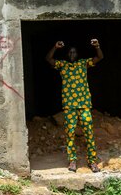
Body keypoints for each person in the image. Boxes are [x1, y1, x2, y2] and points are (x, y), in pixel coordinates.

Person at [45, 39, 104, 173]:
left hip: (84, 105)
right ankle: (72, 161)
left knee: (89, 133)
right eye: (70, 52)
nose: (72, 54)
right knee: (70, 133)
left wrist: (97, 46)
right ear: (67, 54)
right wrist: (55, 47)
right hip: (69, 106)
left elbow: (100, 57)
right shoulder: (62, 65)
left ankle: (92, 162)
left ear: (77, 54)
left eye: (74, 52)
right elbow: (48, 58)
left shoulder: (83, 64)